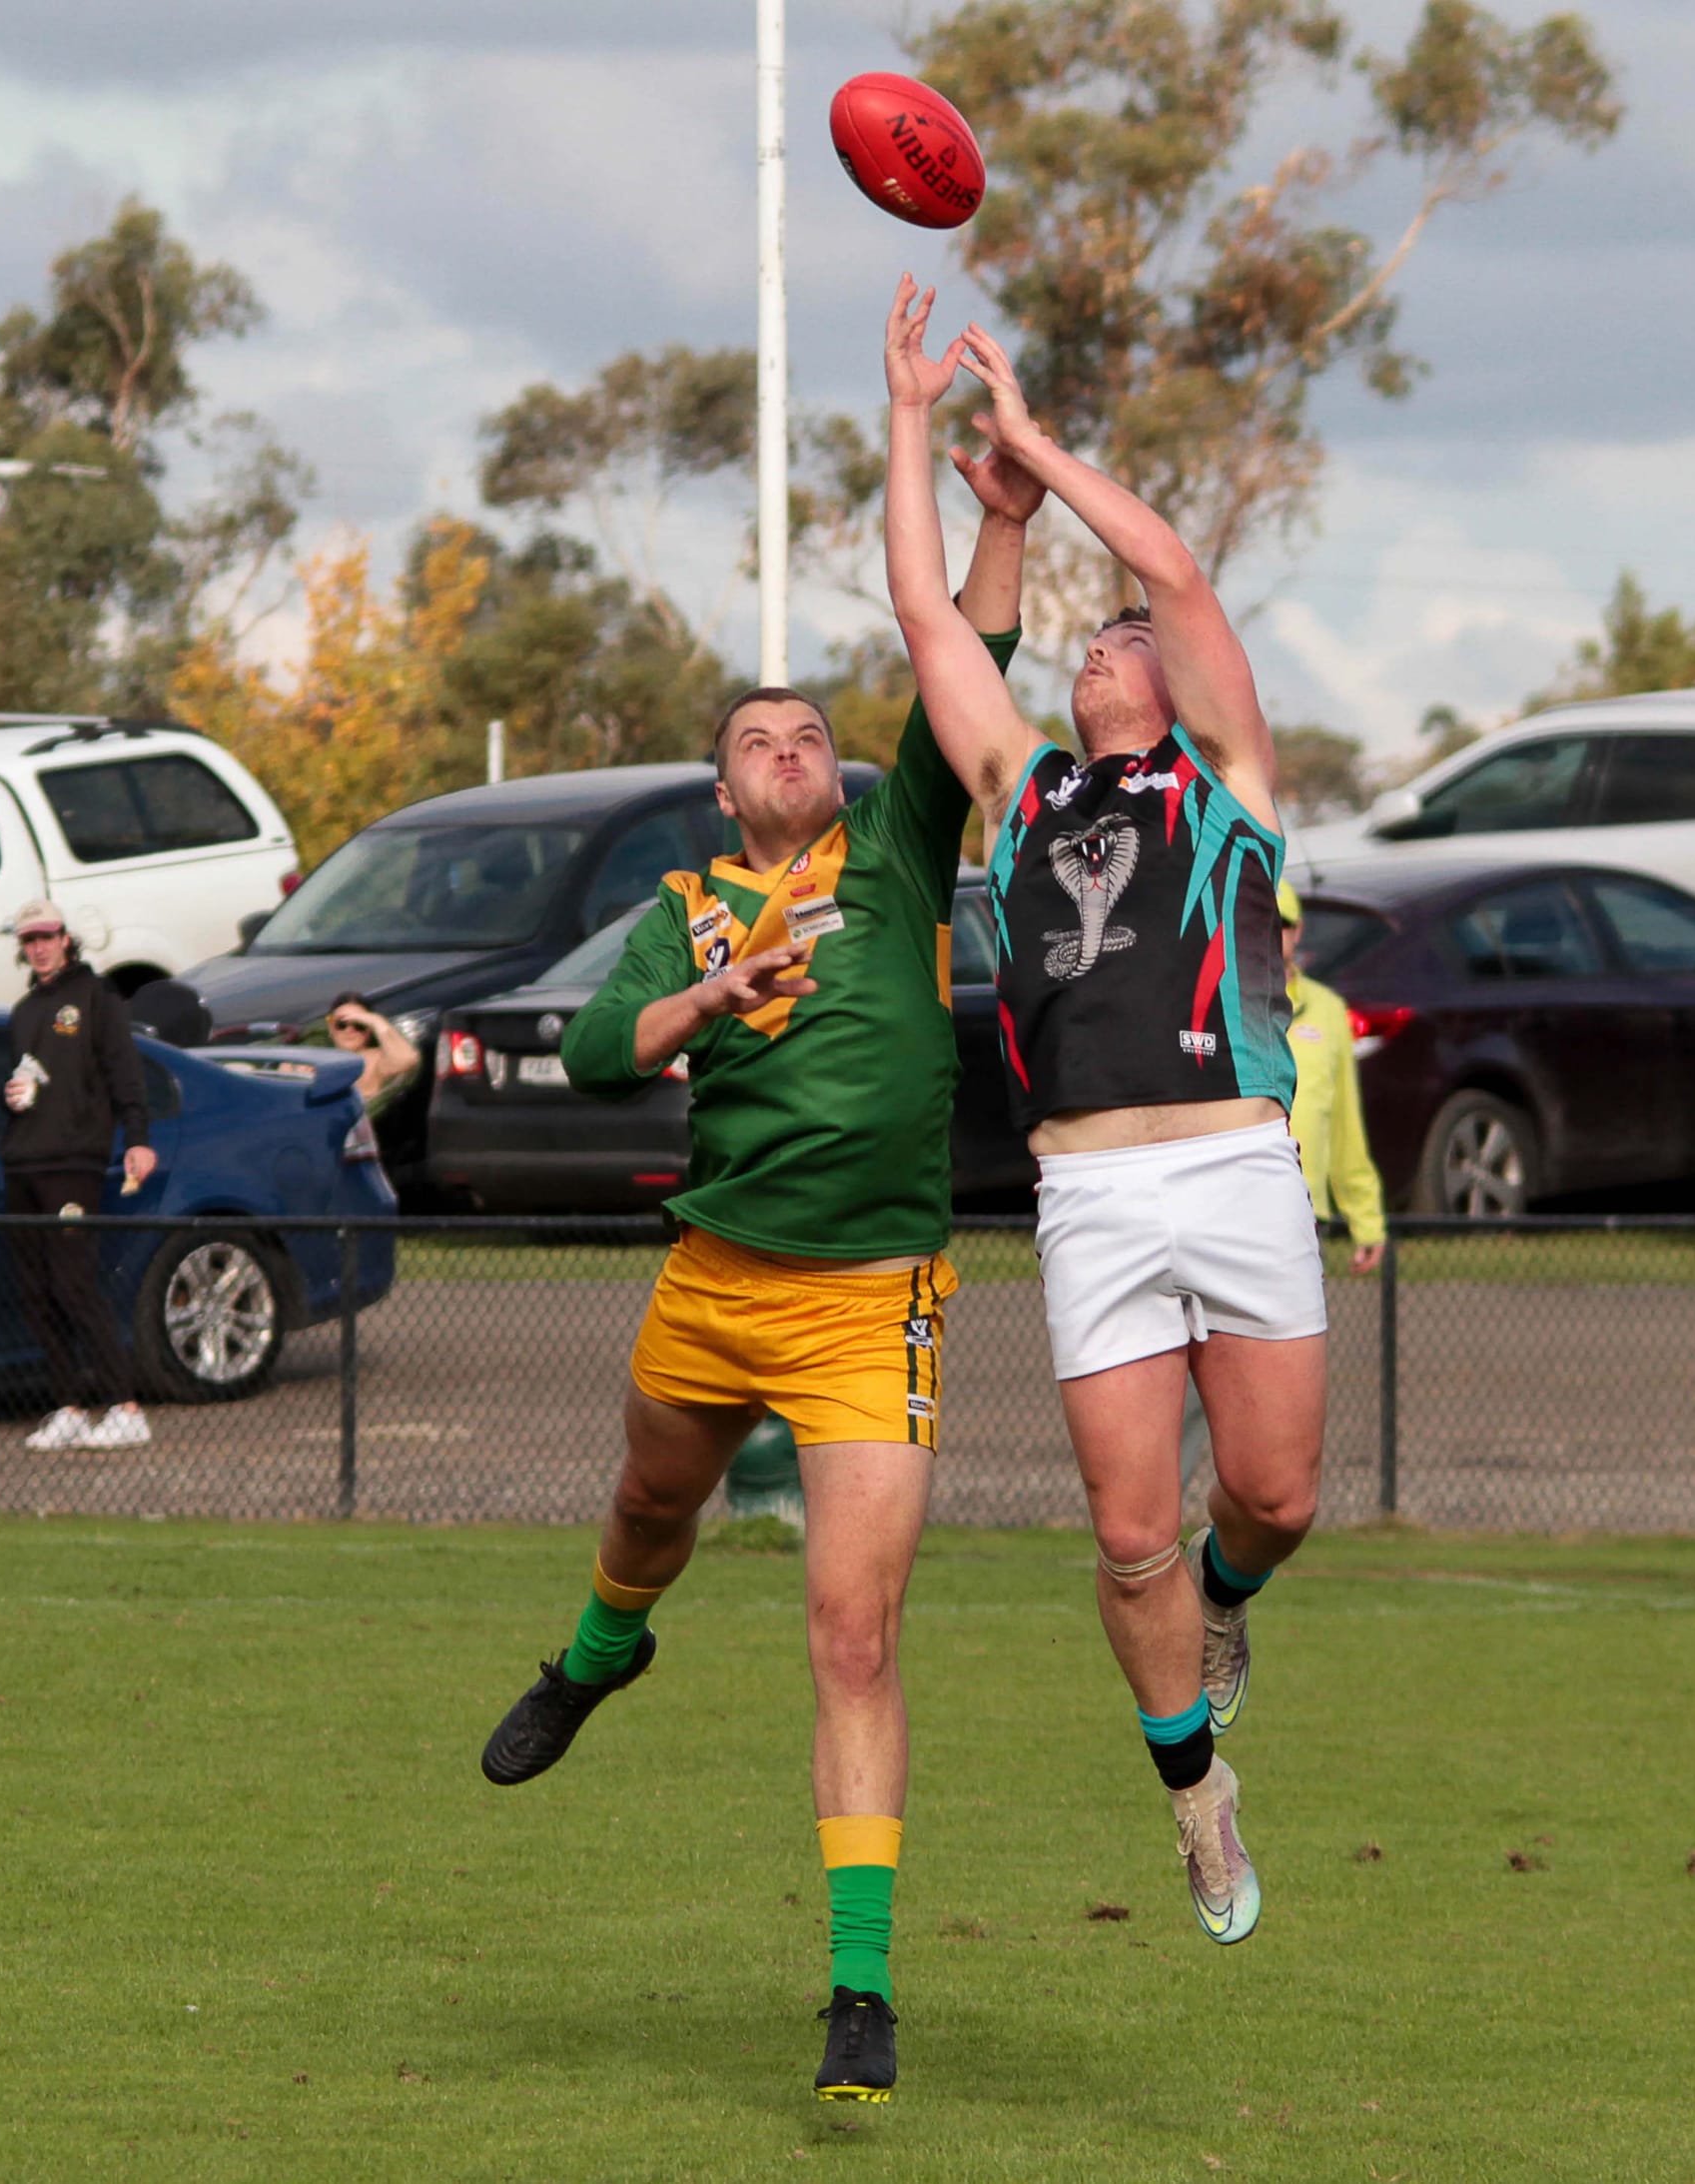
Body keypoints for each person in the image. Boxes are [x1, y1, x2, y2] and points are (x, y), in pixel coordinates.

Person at [476, 446, 1044, 2104]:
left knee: (853, 1634)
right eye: (757, 742)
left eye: (809, 735)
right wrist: (714, 997)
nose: (790, 751)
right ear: (723, 791)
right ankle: (599, 1646)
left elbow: (975, 666)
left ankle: (858, 1990)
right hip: (717, 1281)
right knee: (652, 1508)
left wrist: (1002, 514)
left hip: (877, 1300)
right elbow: (592, 1052)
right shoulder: (684, 907)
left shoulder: (901, 852)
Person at [882, 278, 1324, 1948]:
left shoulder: (1227, 780)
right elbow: (935, 622)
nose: (1105, 637)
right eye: (1088, 639)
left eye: (1120, 633)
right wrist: (919, 419)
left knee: (1270, 1499)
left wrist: (1037, 443)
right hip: (1089, 1192)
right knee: (1127, 1527)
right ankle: (1196, 1796)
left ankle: (1234, 1599)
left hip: (1233, 1155)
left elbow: (1179, 572)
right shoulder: (1023, 792)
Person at [0, 900, 159, 1452]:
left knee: (74, 1282)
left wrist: (137, 1137)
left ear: (66, 938)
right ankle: (67, 1404)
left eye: (46, 937)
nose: (38, 947)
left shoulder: (97, 997)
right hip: (23, 1161)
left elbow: (124, 1071)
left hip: (74, 1163)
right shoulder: (23, 1011)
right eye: (29, 940)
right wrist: (14, 1099)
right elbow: (32, 1082)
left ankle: (124, 1406)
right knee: (35, 1290)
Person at [1277, 880, 1386, 1274]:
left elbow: (1343, 1122)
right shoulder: (1220, 1001)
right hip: (1234, 1204)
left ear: (1299, 930)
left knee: (1298, 1332)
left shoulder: (1327, 1009)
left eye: (1282, 923)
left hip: (1306, 1210)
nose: (1272, 934)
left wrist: (1365, 1216)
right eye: (1259, 922)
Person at [324, 994, 419, 1115]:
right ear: (331, 1029)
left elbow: (407, 1060)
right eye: (341, 1024)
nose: (349, 1029)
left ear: (369, 1030)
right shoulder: (320, 1059)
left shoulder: (375, 1059)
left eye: (359, 1025)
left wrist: (375, 1021)